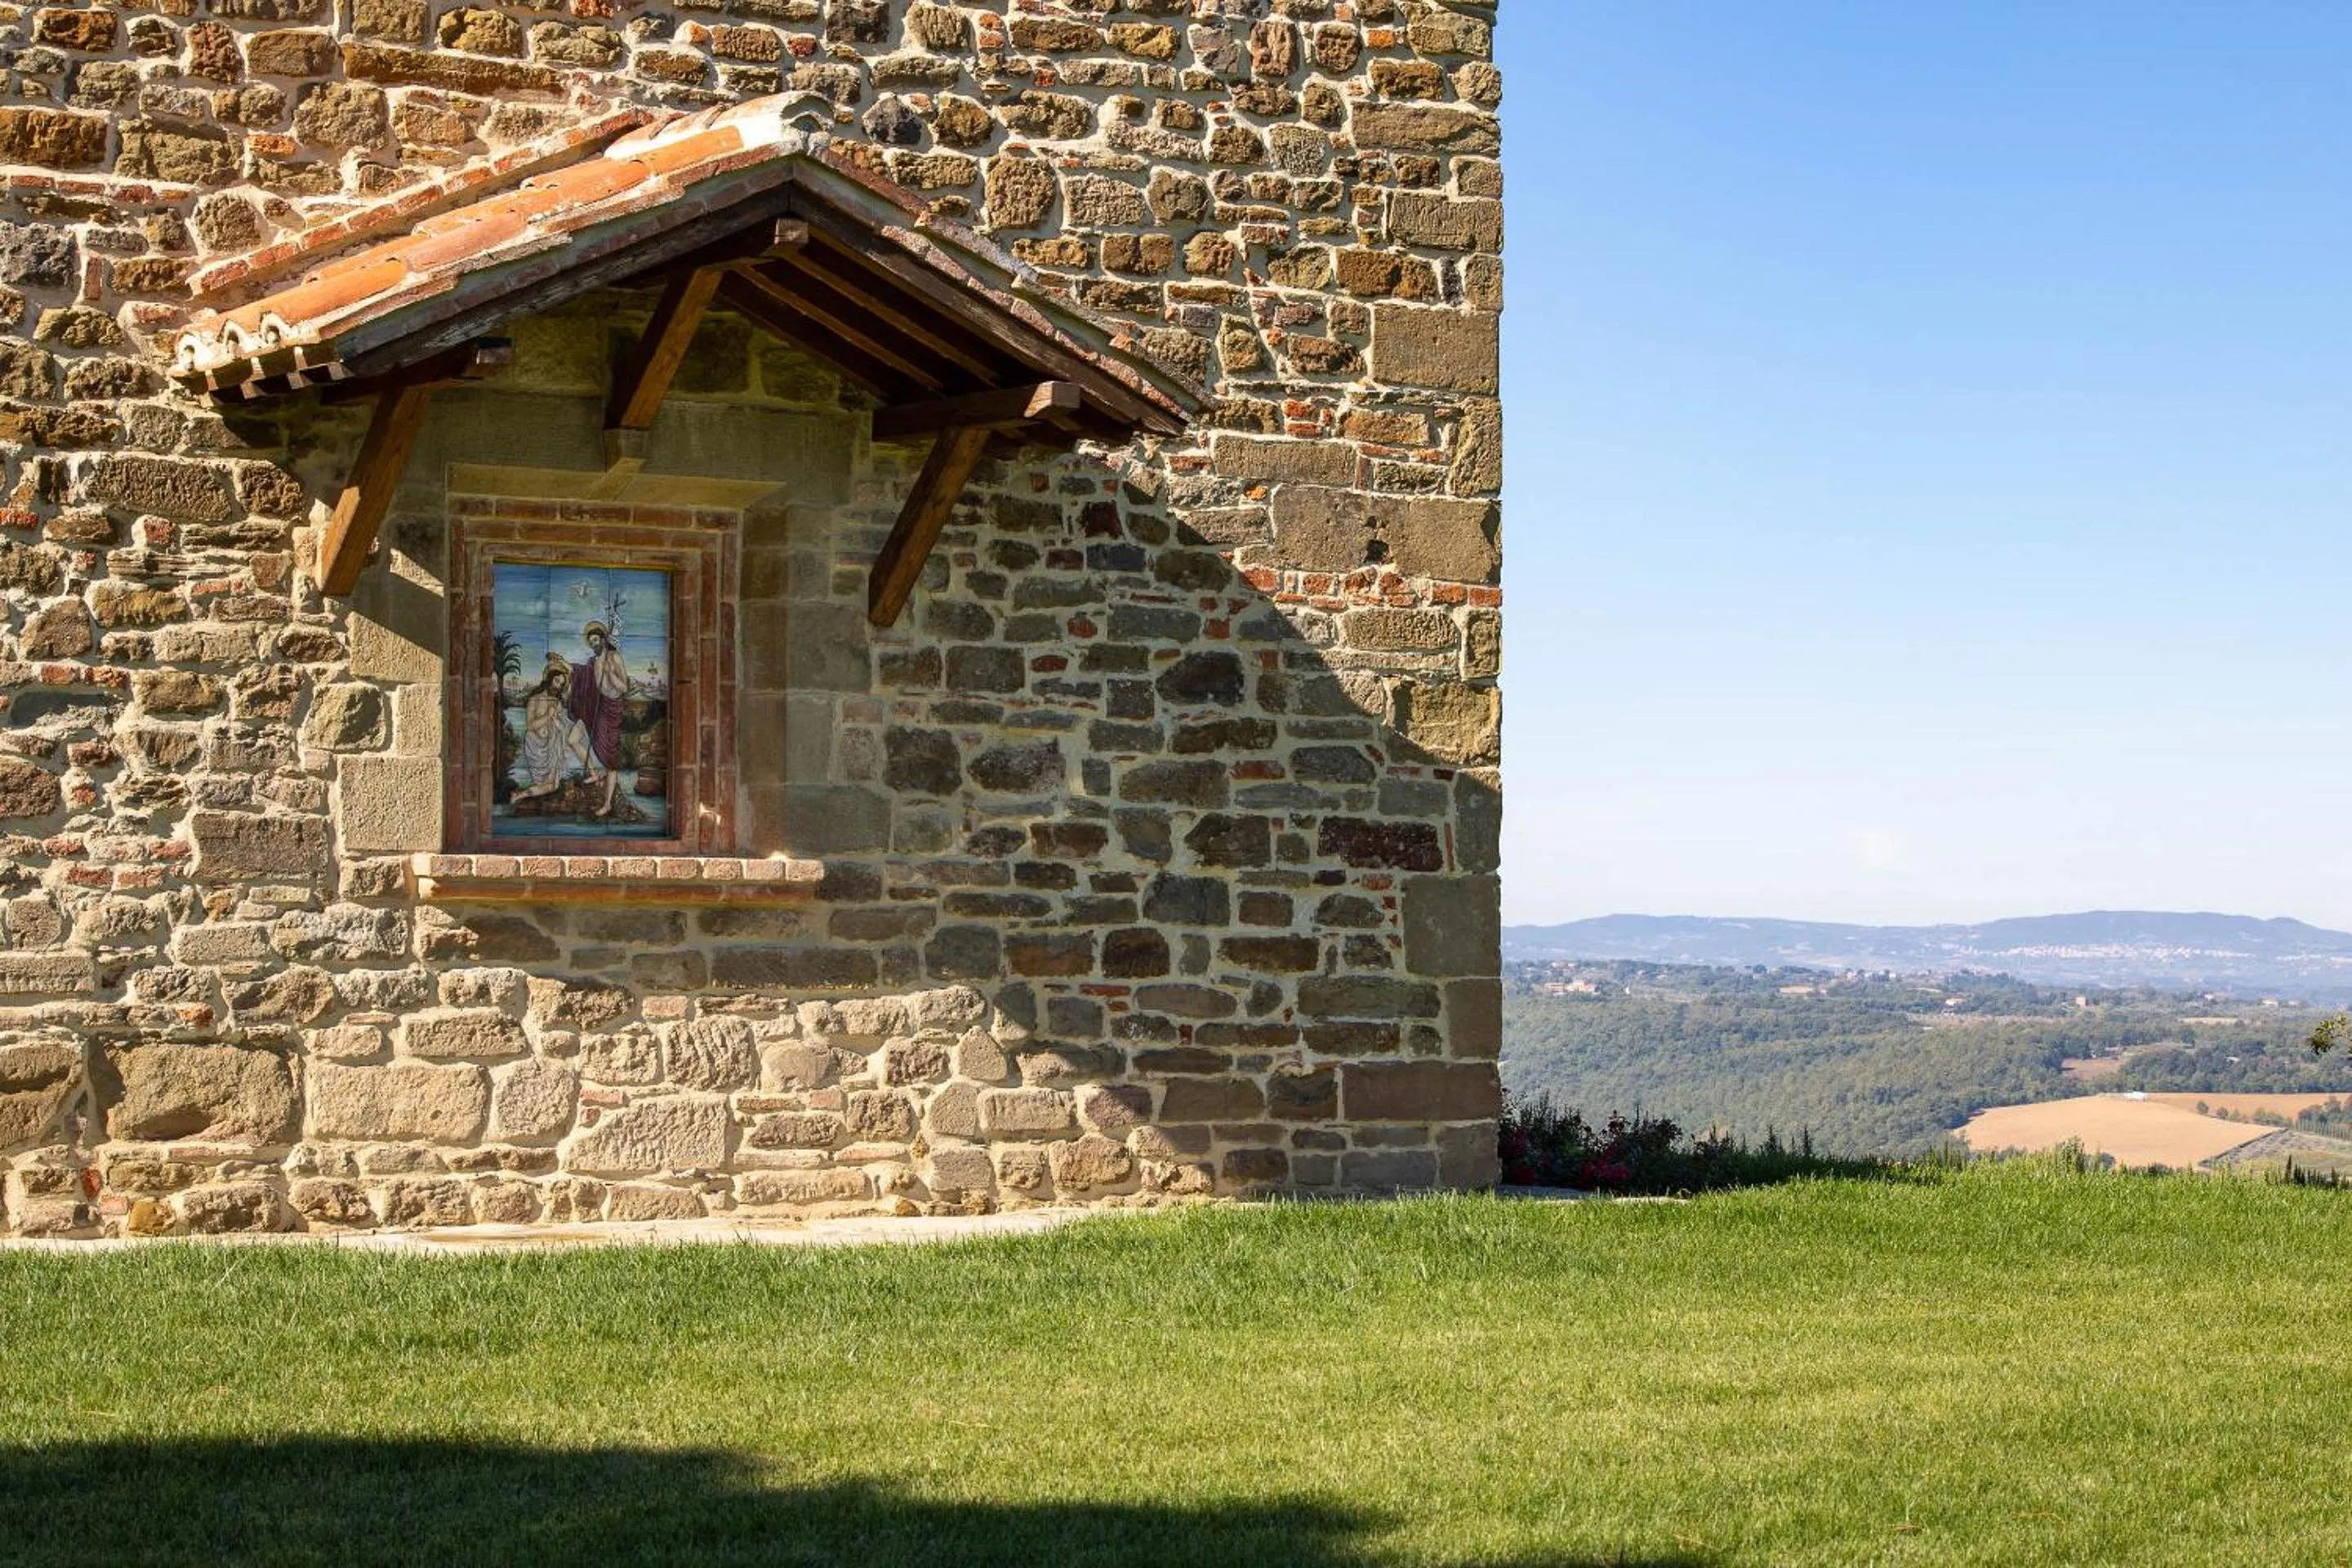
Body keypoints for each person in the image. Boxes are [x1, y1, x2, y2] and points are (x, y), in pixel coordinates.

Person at [567, 619, 636, 817]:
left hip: (610, 710)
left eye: (596, 640)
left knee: (609, 760)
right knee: (572, 739)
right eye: (591, 642)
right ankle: (594, 773)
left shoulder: (614, 657)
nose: (593, 644)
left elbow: (624, 687)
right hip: (594, 708)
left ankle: (607, 804)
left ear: (604, 640)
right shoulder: (593, 662)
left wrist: (610, 674)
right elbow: (582, 674)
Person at [510, 657, 573, 804]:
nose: (558, 686)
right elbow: (530, 726)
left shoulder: (557, 702)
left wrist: (556, 721)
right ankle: (520, 795)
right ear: (550, 678)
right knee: (550, 785)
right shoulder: (535, 699)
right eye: (557, 681)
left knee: (554, 786)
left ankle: (519, 795)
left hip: (553, 747)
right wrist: (547, 716)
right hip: (536, 747)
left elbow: (562, 725)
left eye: (561, 684)